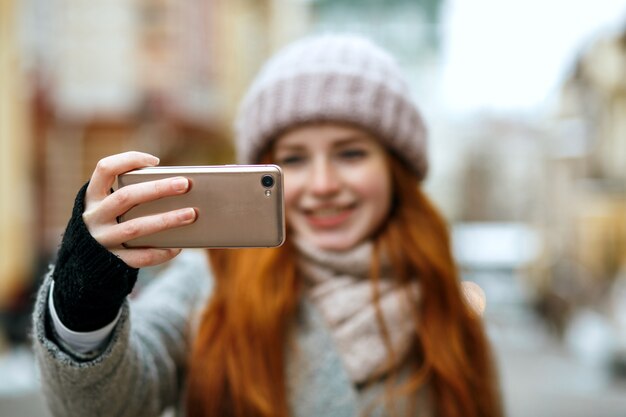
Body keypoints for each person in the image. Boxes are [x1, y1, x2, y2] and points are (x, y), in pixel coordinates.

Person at [32, 34, 503, 417]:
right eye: (293, 159)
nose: (322, 185)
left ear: (395, 169)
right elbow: (104, 404)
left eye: (351, 153)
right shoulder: (209, 285)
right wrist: (84, 301)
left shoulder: (444, 300)